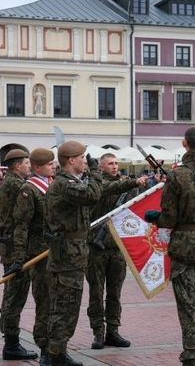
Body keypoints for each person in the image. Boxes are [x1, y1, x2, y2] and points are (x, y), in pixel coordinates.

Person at [144, 127, 195, 366]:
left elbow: (169, 217)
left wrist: (154, 217)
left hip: (185, 245)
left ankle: (191, 356)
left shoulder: (178, 175)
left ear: (184, 144)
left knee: (188, 305)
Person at [44, 141, 103, 366]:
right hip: (67, 255)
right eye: (82, 157)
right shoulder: (64, 184)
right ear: (71, 160)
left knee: (68, 304)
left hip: (73, 253)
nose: (85, 161)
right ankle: (56, 355)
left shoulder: (70, 182)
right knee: (65, 306)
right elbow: (92, 195)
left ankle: (57, 352)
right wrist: (96, 172)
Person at [87, 153, 147, 350]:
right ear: (101, 167)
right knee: (96, 292)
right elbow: (107, 189)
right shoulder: (95, 184)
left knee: (115, 292)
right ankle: (98, 332)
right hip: (96, 247)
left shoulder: (125, 186)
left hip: (117, 247)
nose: (114, 167)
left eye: (115, 164)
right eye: (110, 164)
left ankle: (113, 330)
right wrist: (131, 183)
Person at [11, 148, 56, 365]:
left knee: (53, 302)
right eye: (49, 164)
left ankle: (54, 346)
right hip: (36, 254)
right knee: (44, 301)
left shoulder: (52, 186)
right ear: (38, 167)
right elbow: (21, 226)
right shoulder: (28, 190)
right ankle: (45, 348)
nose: (53, 167)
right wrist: (18, 257)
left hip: (53, 253)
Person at [0, 149, 36, 361]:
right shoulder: (16, 185)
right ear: (16, 166)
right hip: (15, 245)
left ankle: (10, 339)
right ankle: (11, 344)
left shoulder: (11, 182)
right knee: (15, 295)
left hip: (11, 242)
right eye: (25, 163)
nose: (28, 166)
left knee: (12, 295)